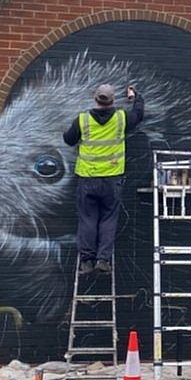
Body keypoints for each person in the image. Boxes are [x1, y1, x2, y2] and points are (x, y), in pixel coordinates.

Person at [63, 84, 144, 274]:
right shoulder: (121, 118)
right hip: (112, 179)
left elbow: (68, 139)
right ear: (113, 100)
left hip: (88, 178)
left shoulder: (82, 120)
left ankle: (86, 262)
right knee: (108, 219)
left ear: (95, 98)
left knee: (87, 220)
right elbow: (138, 115)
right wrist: (136, 97)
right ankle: (103, 260)